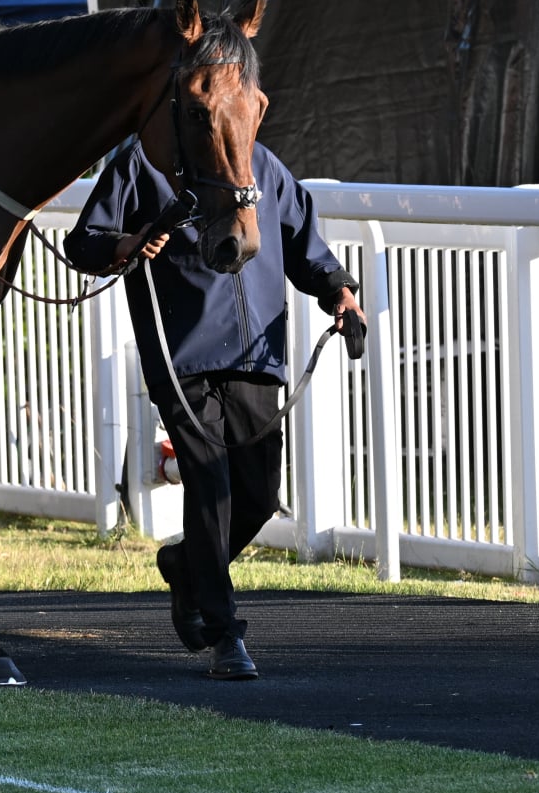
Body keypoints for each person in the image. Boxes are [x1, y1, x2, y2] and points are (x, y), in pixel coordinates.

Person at [64, 136, 367, 680]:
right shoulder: (141, 161)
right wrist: (130, 243)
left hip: (256, 355)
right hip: (182, 355)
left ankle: (187, 568)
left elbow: (303, 245)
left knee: (259, 495)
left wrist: (340, 291)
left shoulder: (264, 163)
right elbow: (83, 243)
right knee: (210, 484)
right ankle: (225, 632)